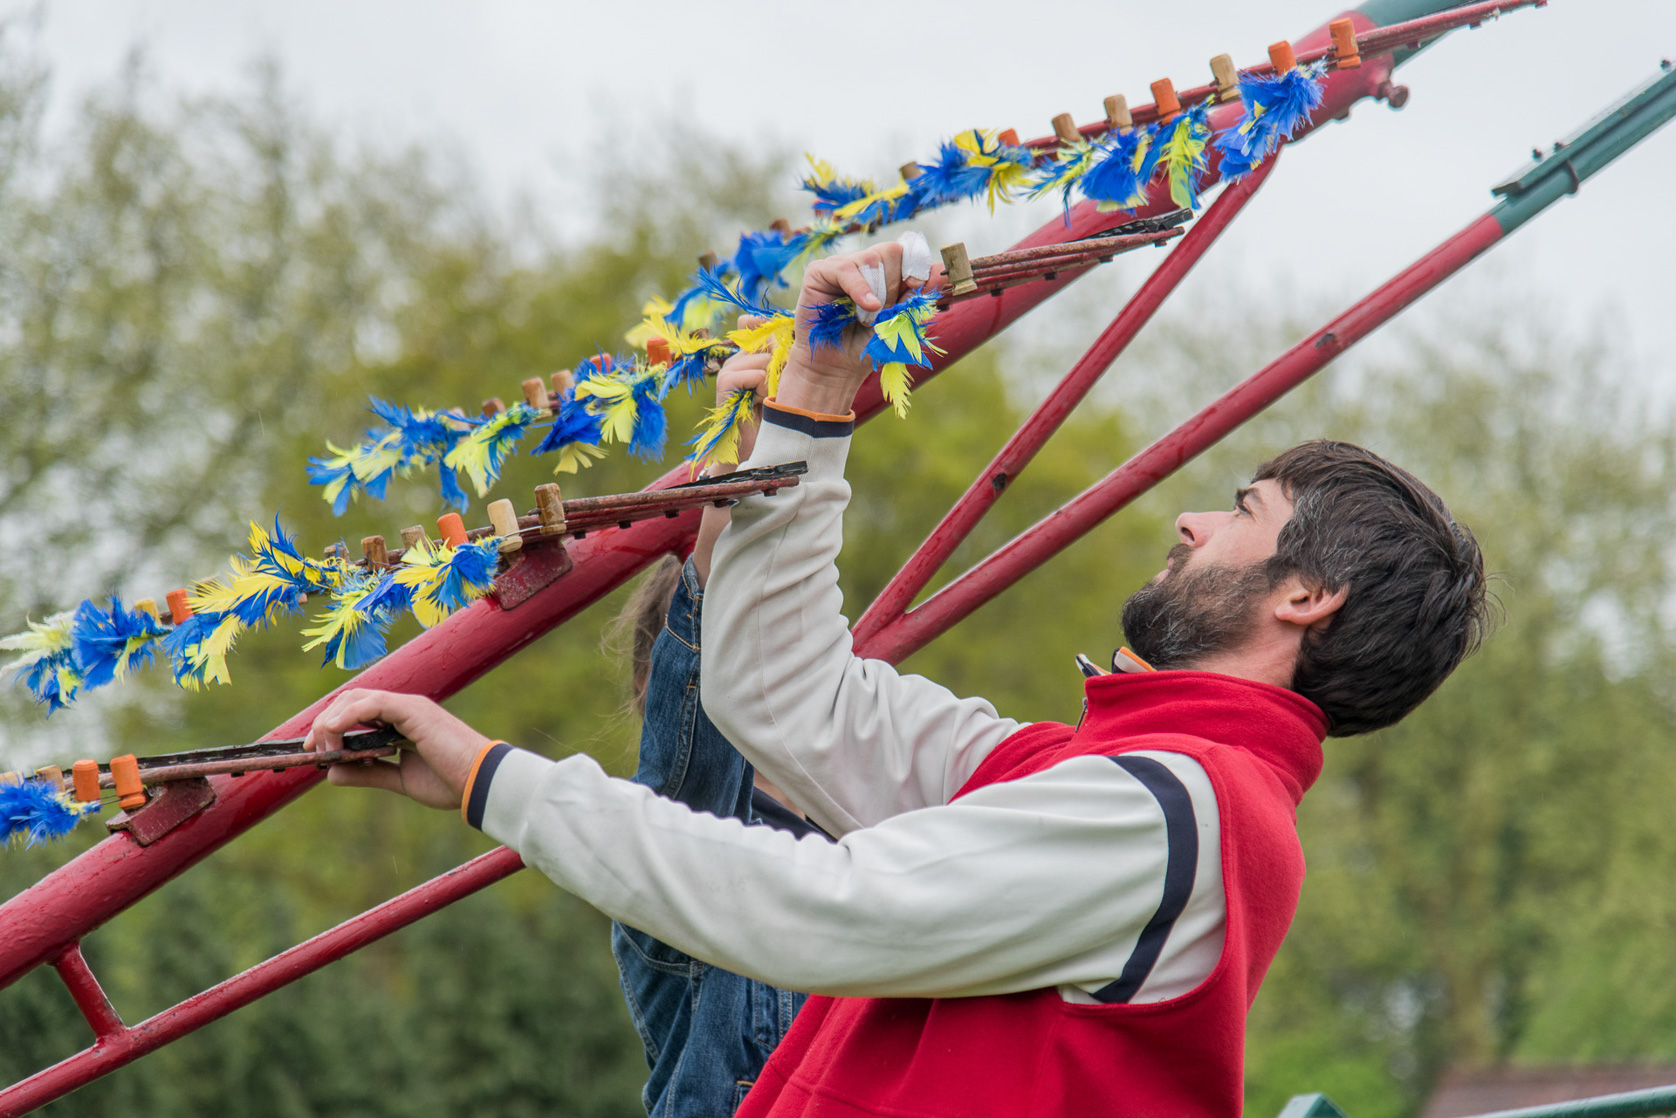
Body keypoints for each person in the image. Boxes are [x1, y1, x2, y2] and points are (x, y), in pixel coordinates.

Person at [306, 238, 1489, 1117]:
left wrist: (492, 778)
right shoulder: (1095, 772)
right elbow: (782, 696)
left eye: (1242, 512)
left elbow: (819, 906)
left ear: (1304, 594)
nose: (1187, 522)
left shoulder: (1179, 806)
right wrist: (812, 401)